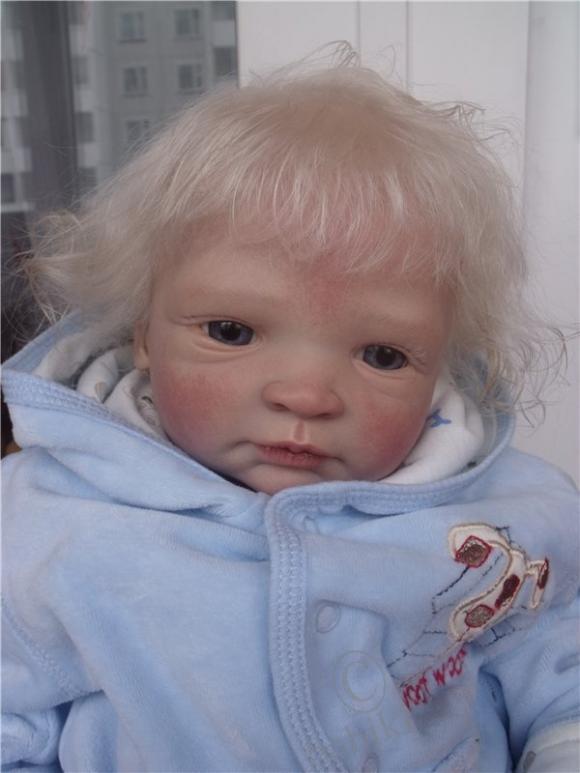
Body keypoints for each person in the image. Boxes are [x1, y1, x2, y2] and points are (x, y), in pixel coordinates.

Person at [2, 50, 578, 773]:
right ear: (143, 333)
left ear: (441, 364)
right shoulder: (46, 523)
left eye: (381, 354)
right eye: (232, 332)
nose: (306, 396)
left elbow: (555, 657)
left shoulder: (499, 515)